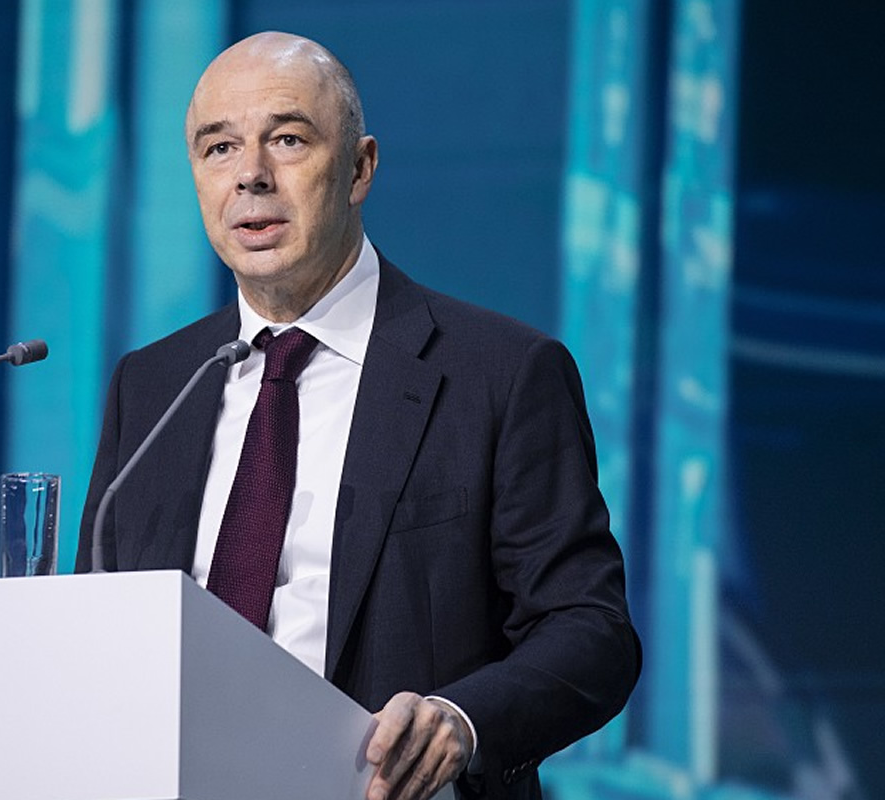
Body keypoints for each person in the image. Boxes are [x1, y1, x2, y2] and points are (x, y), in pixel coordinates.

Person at [77, 31, 640, 800]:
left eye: (287, 139)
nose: (251, 176)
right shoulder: (152, 385)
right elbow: (97, 630)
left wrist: (459, 720)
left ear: (359, 168)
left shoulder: (500, 374)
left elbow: (591, 633)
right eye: (218, 149)